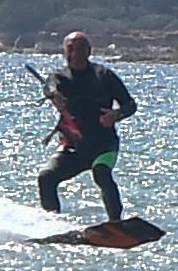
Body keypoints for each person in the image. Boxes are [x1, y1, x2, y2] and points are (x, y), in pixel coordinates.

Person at [36, 31, 135, 223]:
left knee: (101, 173)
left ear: (89, 51)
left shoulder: (104, 75)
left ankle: (116, 223)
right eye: (71, 49)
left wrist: (116, 115)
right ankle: (52, 224)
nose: (75, 53)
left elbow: (130, 105)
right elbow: (49, 86)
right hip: (74, 146)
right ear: (65, 52)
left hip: (103, 145)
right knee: (46, 177)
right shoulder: (59, 78)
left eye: (80, 48)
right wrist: (53, 95)